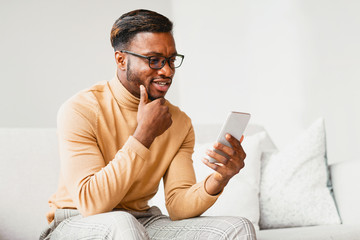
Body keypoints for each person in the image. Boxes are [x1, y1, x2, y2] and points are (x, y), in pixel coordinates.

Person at [40, 9, 257, 240]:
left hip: (140, 221)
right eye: (154, 60)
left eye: (171, 60)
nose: (167, 71)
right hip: (75, 221)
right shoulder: (81, 109)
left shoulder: (178, 122)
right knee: (122, 224)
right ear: (121, 59)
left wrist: (219, 178)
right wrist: (143, 134)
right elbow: (92, 204)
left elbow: (178, 205)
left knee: (237, 227)